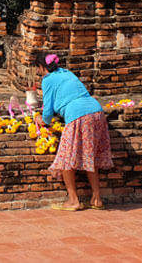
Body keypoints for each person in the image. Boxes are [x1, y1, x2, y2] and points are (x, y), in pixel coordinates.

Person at [33, 51, 113, 210]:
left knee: (65, 158)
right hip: (96, 111)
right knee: (91, 156)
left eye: (37, 68)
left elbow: (47, 110)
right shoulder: (66, 72)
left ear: (41, 67)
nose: (36, 71)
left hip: (78, 115)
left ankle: (73, 200)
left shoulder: (47, 79)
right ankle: (96, 198)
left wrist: (42, 120)